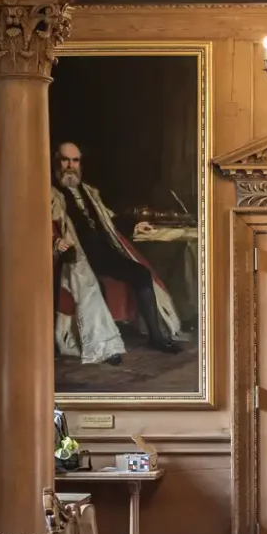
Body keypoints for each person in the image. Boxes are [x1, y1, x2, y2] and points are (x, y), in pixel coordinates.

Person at [51, 141, 182, 367]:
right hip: (74, 259)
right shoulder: (51, 194)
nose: (70, 166)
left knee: (140, 273)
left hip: (102, 255)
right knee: (91, 288)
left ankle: (156, 337)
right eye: (65, 160)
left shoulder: (90, 192)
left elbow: (108, 219)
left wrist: (134, 226)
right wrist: (56, 241)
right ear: (57, 161)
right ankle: (104, 347)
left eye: (75, 160)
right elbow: (38, 227)